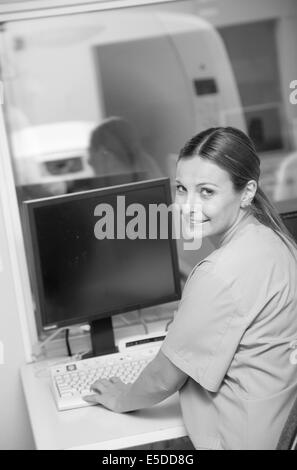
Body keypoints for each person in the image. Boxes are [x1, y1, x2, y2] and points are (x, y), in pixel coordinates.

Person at [84, 127, 297, 450]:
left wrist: (121, 398)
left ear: (247, 192)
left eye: (207, 191)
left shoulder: (220, 272)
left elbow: (161, 379)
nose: (188, 205)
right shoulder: (277, 241)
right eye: (182, 189)